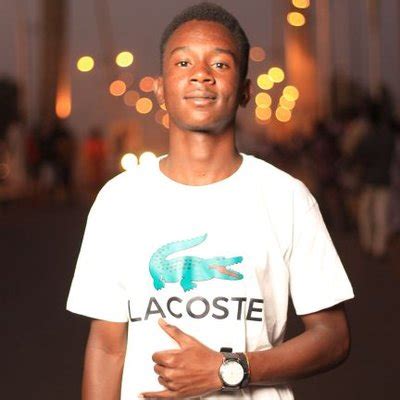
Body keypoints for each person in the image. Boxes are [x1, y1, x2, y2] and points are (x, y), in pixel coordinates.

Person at [66, 3, 354, 399]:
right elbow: (105, 347)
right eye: (183, 62)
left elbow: (333, 337)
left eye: (219, 64)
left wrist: (229, 369)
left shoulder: (286, 197)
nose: (201, 74)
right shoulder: (118, 200)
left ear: (245, 91)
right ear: (160, 89)